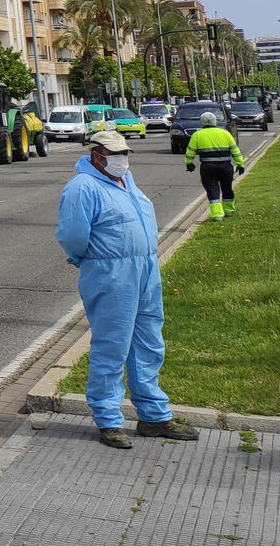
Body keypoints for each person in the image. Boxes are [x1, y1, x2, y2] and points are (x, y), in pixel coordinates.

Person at [56, 131, 197, 449]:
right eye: (114, 154)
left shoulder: (126, 180)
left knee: (149, 343)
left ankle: (154, 416)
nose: (122, 159)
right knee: (112, 347)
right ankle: (108, 420)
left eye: (124, 153)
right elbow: (72, 234)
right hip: (111, 273)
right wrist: (91, 260)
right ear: (96, 155)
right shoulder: (83, 187)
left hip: (145, 269)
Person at [183, 111, 245, 222]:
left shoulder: (197, 135)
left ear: (202, 122)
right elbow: (235, 151)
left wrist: (189, 163)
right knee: (227, 188)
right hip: (226, 166)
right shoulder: (225, 133)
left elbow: (190, 151)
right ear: (215, 121)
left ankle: (217, 215)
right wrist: (240, 164)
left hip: (208, 166)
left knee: (212, 189)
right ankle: (229, 211)